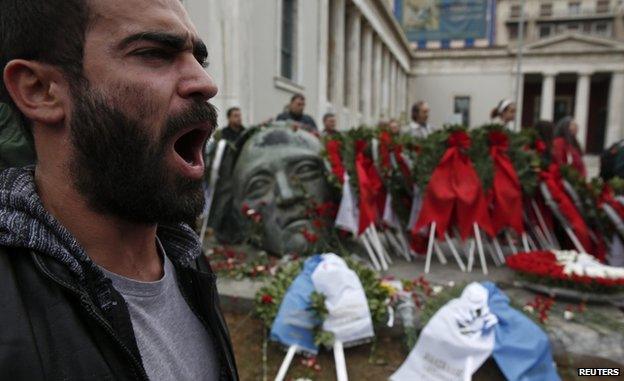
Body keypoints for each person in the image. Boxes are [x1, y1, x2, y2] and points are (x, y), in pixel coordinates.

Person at [0, 1, 238, 380]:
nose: (206, 84)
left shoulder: (186, 258)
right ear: (40, 90)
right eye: (153, 53)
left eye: (199, 59)